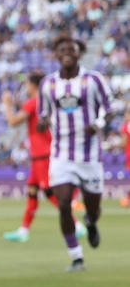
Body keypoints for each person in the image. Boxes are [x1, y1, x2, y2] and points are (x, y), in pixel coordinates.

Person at [39, 36, 114, 271]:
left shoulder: (93, 80)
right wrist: (43, 122)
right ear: (56, 54)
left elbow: (110, 110)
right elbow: (44, 113)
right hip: (61, 154)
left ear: (79, 53)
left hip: (90, 155)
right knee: (63, 204)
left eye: (71, 49)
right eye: (62, 49)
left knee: (93, 208)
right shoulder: (48, 84)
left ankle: (91, 223)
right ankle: (76, 256)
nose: (67, 53)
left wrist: (98, 124)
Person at [2, 72, 83, 242]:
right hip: (42, 154)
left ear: (34, 85)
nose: (25, 87)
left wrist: (7, 104)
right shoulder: (47, 102)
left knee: (49, 192)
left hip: (43, 155)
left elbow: (13, 122)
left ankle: (77, 225)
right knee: (32, 191)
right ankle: (24, 230)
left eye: (27, 84)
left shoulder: (33, 103)